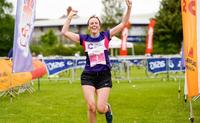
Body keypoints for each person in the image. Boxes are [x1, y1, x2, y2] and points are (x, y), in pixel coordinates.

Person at [61, 0, 132, 123]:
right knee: (91, 107)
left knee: (100, 108)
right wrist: (69, 18)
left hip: (104, 76)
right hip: (88, 76)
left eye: (96, 23)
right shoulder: (84, 39)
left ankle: (107, 109)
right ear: (89, 27)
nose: (94, 25)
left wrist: (129, 8)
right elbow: (64, 32)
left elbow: (123, 23)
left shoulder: (106, 36)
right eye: (91, 23)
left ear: (99, 25)